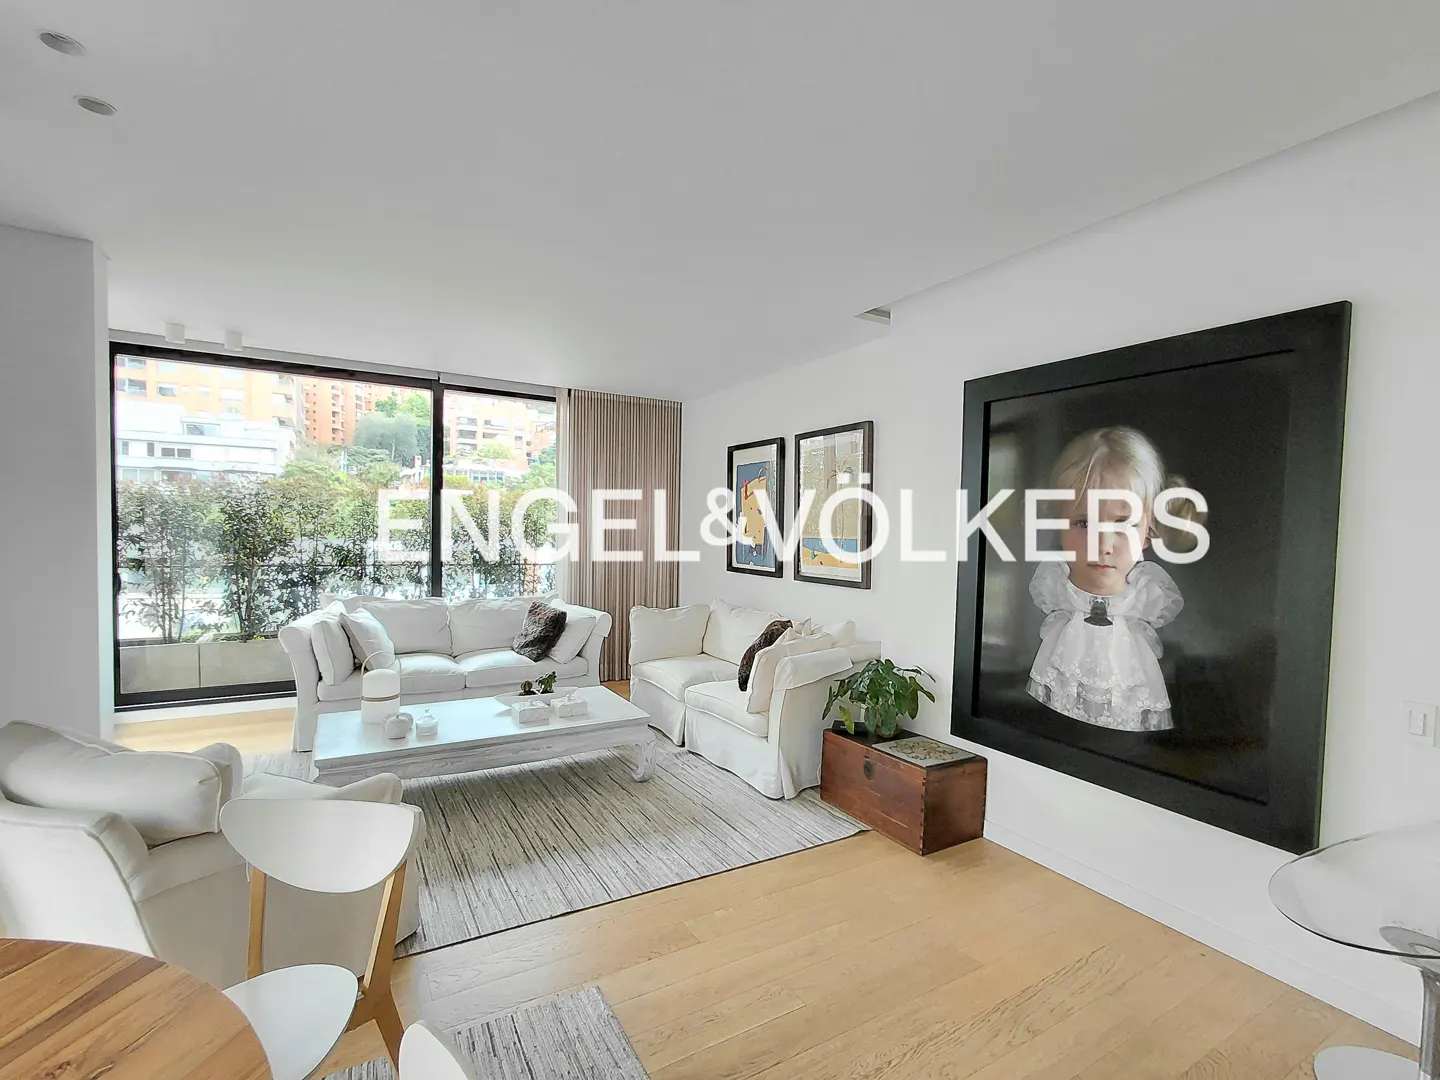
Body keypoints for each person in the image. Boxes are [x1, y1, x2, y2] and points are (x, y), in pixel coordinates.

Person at [1026, 426, 1199, 732]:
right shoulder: (1055, 586)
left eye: (1123, 523)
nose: (1102, 546)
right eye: (1084, 523)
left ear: (1148, 531)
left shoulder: (1147, 595)